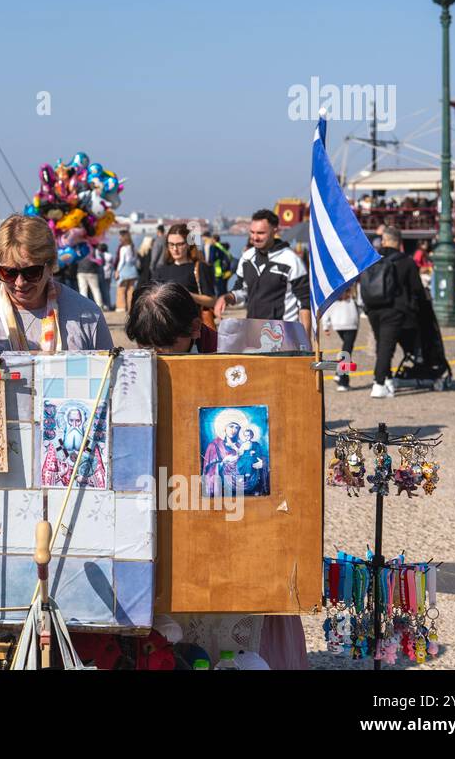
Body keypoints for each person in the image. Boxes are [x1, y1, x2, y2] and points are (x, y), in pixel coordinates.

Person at [120, 278, 305, 670]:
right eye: (147, 348)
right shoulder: (135, 366)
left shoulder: (236, 355)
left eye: (165, 347)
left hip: (236, 507)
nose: (156, 356)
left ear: (192, 329)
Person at [0, 214, 113, 352]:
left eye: (31, 272)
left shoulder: (88, 315)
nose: (20, 282)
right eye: (8, 273)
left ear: (51, 266)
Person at [213, 208, 312, 337]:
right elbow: (241, 290)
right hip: (253, 332)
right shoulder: (247, 257)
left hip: (283, 335)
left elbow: (304, 304)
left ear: (275, 230)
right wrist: (227, 297)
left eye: (260, 233)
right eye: (252, 232)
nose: (255, 237)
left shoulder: (291, 260)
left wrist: (306, 340)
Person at [358, 226, 426, 399]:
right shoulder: (406, 261)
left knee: (382, 344)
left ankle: (387, 379)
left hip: (373, 308)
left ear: (384, 240)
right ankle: (378, 384)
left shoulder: (372, 259)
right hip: (394, 309)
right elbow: (417, 289)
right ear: (399, 242)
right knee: (386, 348)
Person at [124, 280, 217, 353]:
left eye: (164, 345)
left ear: (194, 327)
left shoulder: (220, 353)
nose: (155, 353)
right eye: (147, 347)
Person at [149, 223, 216, 318]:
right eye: (171, 244)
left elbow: (212, 301)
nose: (175, 249)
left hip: (191, 325)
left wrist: (188, 295)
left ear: (189, 244)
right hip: (164, 325)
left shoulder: (199, 267)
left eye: (180, 244)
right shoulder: (161, 269)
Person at [321, 284, 361, 391]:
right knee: (347, 351)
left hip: (337, 324)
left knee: (346, 349)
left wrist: (326, 325)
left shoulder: (333, 292)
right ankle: (341, 379)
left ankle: (341, 376)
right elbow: (361, 303)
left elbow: (326, 308)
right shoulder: (352, 291)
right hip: (351, 324)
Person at [74, 245, 106, 310]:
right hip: (92, 272)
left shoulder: (79, 249)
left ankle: (84, 306)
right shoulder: (95, 249)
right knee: (95, 289)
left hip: (81, 271)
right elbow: (100, 261)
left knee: (83, 290)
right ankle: (99, 305)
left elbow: (75, 259)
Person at [114, 229, 139, 312]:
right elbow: (135, 260)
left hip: (124, 271)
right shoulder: (133, 247)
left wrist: (117, 271)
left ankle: (121, 307)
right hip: (133, 271)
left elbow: (122, 261)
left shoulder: (123, 248)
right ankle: (131, 307)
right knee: (131, 291)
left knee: (121, 289)